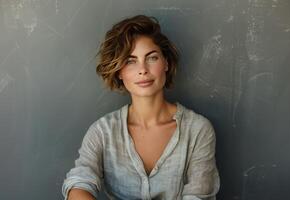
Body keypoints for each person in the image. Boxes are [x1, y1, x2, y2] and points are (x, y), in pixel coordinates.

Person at [62, 15, 220, 200]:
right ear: (119, 72)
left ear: (166, 63)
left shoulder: (198, 129)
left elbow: (198, 196)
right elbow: (79, 182)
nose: (143, 69)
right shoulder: (103, 131)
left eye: (152, 57)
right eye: (130, 61)